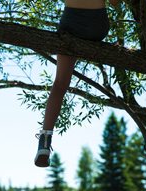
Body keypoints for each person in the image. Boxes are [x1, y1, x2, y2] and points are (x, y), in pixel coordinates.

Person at [34, 0, 122, 167]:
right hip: (97, 25)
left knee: (60, 84)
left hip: (71, 23)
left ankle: (45, 140)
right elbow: (116, 2)